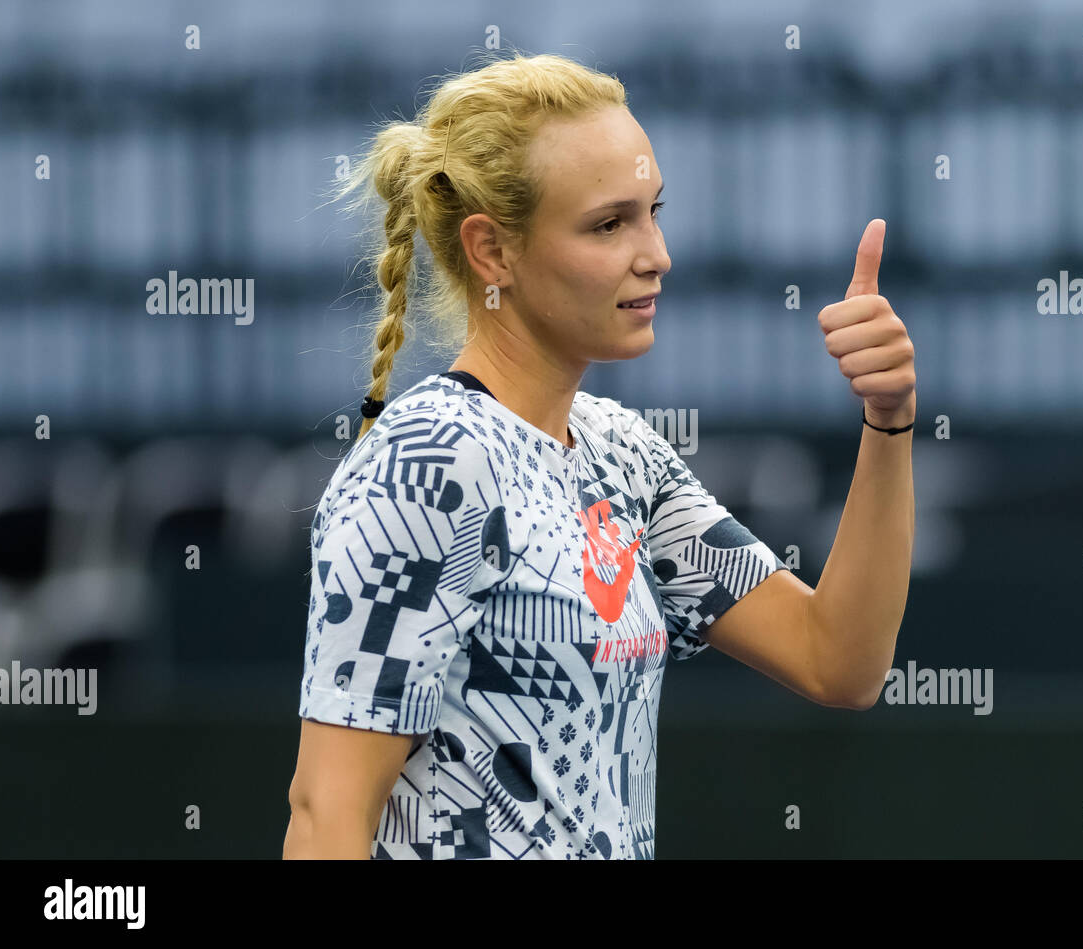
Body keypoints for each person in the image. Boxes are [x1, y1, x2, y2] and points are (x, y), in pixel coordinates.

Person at [283, 51, 917, 860]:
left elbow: (840, 660)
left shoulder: (622, 452)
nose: (657, 254)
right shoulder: (428, 462)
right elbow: (324, 815)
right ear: (492, 252)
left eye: (653, 211)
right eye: (609, 224)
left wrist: (888, 420)